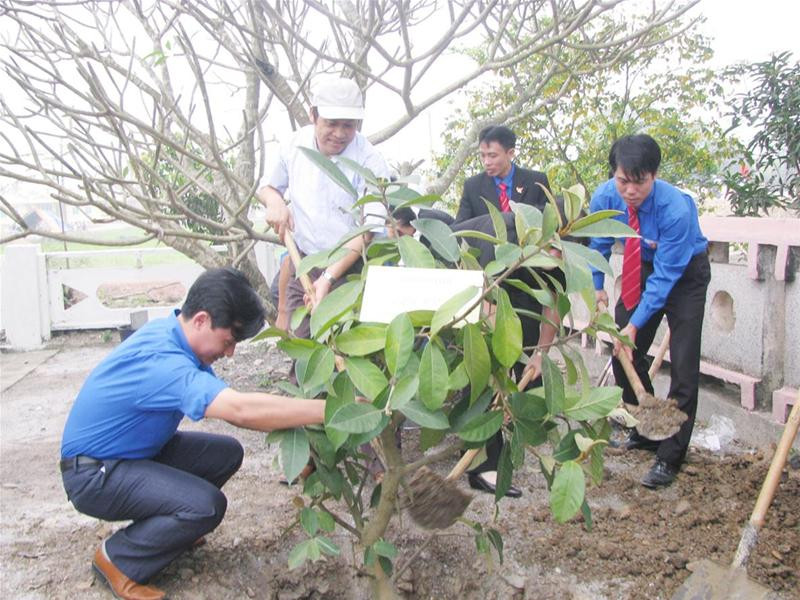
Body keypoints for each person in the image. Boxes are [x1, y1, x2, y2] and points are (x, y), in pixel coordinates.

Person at [60, 268, 326, 600]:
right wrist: (329, 411)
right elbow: (240, 411)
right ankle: (120, 559)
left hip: (131, 455)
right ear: (201, 320)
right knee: (206, 506)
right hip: (95, 474)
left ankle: (172, 531)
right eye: (229, 341)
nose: (230, 353)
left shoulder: (173, 335)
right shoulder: (163, 361)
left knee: (225, 453)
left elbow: (235, 406)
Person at [589, 134, 710, 489]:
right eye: (623, 180)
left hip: (684, 273)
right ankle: (644, 427)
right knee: (623, 352)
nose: (629, 190)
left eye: (638, 182)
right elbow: (597, 243)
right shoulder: (606, 196)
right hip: (638, 267)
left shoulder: (676, 208)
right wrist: (597, 286)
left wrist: (635, 324)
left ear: (654, 174)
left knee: (684, 365)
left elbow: (665, 278)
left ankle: (670, 456)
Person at [257, 77, 390, 337]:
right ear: (313, 116)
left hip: (352, 266)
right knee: (304, 344)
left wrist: (328, 278)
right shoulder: (294, 146)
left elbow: (368, 230)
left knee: (349, 342)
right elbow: (268, 188)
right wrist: (275, 203)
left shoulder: (370, 160)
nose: (340, 134)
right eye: (331, 124)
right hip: (304, 261)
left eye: (348, 126)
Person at [455, 125, 550, 223]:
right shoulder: (473, 187)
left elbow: (551, 221)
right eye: (482, 155)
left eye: (492, 156)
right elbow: (460, 226)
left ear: (510, 153)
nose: (486, 162)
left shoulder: (536, 182)